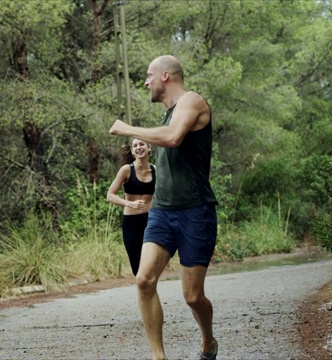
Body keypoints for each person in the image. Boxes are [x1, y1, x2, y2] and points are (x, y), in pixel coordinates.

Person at [109, 55, 219, 360]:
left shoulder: (192, 102)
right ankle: (159, 357)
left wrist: (129, 129)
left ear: (166, 76)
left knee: (192, 296)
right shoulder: (168, 115)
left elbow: (172, 138)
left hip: (195, 211)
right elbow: (165, 135)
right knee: (144, 280)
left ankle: (208, 342)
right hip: (162, 212)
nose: (146, 82)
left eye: (148, 76)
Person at [106, 139, 155, 276]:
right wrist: (129, 203)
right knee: (137, 267)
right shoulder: (127, 170)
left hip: (151, 221)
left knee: (151, 263)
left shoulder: (156, 170)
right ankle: (146, 294)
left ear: (149, 148)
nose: (138, 147)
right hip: (132, 223)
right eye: (135, 146)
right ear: (133, 151)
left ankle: (150, 295)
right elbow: (110, 195)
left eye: (142, 144)